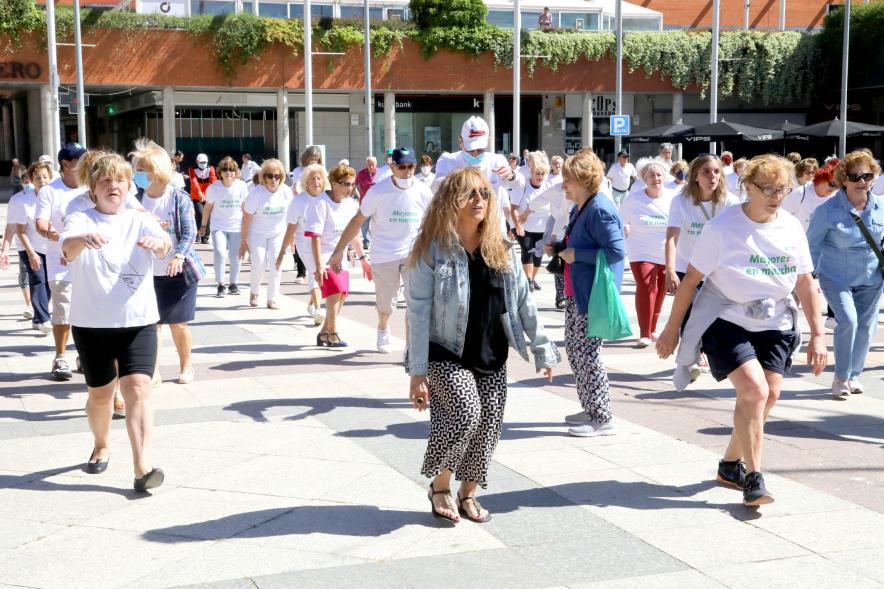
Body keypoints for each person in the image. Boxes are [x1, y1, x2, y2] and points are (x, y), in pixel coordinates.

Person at [656, 154, 827, 506]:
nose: (777, 195)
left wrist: (818, 334)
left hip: (776, 321)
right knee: (754, 390)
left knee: (768, 396)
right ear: (747, 187)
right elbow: (690, 282)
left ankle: (730, 464)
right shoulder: (722, 228)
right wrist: (672, 329)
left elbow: (806, 282)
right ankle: (755, 477)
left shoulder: (791, 227)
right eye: (767, 188)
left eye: (783, 188)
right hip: (727, 318)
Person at [406, 167, 558, 524]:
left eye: (484, 194)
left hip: (491, 353)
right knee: (465, 412)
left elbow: (524, 301)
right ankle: (440, 487)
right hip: (445, 351)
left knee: (488, 425)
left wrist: (541, 348)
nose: (479, 201)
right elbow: (417, 311)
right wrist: (417, 372)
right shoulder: (433, 249)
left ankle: (468, 492)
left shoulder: (501, 247)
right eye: (469, 194)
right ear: (450, 201)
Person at [60, 151, 172, 492]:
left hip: (137, 321)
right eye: (106, 181)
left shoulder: (140, 218)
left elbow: (165, 243)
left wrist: (159, 244)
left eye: (120, 180)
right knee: (101, 394)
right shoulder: (80, 216)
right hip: (92, 323)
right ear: (93, 189)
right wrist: (82, 240)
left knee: (138, 389)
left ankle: (142, 467)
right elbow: (67, 248)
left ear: (128, 186)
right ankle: (102, 443)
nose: (114, 186)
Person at [545, 149, 624, 437]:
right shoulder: (583, 206)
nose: (563, 184)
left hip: (593, 294)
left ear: (583, 180)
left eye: (568, 179)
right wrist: (560, 248)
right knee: (576, 352)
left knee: (588, 354)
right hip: (579, 291)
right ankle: (591, 407)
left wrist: (576, 253)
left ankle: (603, 417)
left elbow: (616, 252)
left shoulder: (599, 209)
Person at [328, 147, 432, 353]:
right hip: (385, 254)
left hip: (413, 253)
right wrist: (339, 249)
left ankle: (411, 347)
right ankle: (383, 327)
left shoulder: (423, 190)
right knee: (386, 304)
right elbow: (357, 220)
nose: (407, 171)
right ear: (392, 167)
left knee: (414, 303)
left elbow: (433, 221)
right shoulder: (378, 191)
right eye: (402, 167)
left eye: (411, 166)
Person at [806, 151, 884, 398]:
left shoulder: (882, 206)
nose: (862, 181)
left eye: (868, 176)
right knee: (849, 321)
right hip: (836, 276)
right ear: (844, 179)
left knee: (866, 327)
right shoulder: (827, 211)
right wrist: (807, 278)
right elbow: (812, 246)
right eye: (856, 176)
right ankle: (840, 377)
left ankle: (854, 375)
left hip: (872, 277)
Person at [132, 139, 206, 386]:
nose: (138, 174)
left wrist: (178, 255)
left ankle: (186, 366)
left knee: (178, 323)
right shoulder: (135, 199)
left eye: (143, 169)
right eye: (137, 169)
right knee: (152, 323)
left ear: (158, 171)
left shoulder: (178, 198)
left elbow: (189, 232)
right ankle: (153, 371)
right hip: (147, 271)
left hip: (179, 269)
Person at [665, 155, 739, 378]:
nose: (712, 176)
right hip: (687, 268)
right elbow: (671, 237)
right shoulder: (681, 201)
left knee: (712, 316)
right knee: (690, 312)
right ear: (695, 176)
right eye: (706, 171)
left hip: (718, 270)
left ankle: (698, 353)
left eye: (716, 171)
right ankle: (693, 357)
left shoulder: (731, 202)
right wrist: (669, 269)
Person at [35, 142, 89, 381]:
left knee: (88, 311)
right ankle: (60, 357)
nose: (84, 162)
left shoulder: (90, 186)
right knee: (64, 309)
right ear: (66, 164)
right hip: (60, 261)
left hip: (88, 261)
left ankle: (85, 355)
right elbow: (41, 222)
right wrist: (50, 233)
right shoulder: (50, 191)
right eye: (79, 159)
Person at [305, 164, 366, 347]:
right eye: (346, 184)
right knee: (335, 291)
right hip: (322, 254)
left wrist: (361, 256)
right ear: (333, 183)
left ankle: (324, 332)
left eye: (352, 184)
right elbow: (314, 237)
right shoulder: (320, 203)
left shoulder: (350, 203)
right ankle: (332, 333)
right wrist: (319, 265)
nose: (350, 188)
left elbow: (353, 232)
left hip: (340, 254)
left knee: (342, 295)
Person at [432, 116, 522, 234]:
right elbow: (435, 188)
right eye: (471, 149)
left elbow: (520, 184)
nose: (475, 153)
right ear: (460, 142)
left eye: (480, 150)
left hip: (491, 231)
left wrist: (512, 175)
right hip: (459, 231)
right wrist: (460, 179)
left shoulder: (497, 160)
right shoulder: (448, 160)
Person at [620, 161, 676, 347]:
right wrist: (624, 233)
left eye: (659, 175)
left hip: (665, 252)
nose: (656, 178)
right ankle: (644, 332)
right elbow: (620, 222)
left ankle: (652, 329)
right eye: (651, 175)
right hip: (640, 250)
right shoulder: (633, 199)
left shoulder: (672, 197)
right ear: (644, 179)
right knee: (646, 285)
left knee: (660, 289)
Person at [277, 163, 328, 325]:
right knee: (315, 272)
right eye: (312, 179)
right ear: (306, 182)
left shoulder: (328, 198)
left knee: (322, 275)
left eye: (319, 178)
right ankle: (319, 309)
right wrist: (283, 251)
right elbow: (291, 227)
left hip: (324, 244)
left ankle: (313, 302)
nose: (316, 182)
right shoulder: (298, 201)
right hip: (304, 244)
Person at [240, 159, 294, 309]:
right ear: (263, 177)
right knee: (259, 264)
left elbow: (292, 217)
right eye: (269, 176)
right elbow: (246, 218)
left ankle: (272, 298)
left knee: (277, 264)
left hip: (278, 233)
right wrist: (243, 241)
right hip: (257, 234)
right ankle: (254, 291)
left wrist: (292, 238)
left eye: (277, 176)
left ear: (282, 177)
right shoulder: (255, 194)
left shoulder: (286, 192)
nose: (273, 180)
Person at [9, 163, 52, 334]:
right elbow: (20, 231)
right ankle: (44, 319)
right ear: (32, 181)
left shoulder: (55, 197)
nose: (42, 181)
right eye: (38, 178)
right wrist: (31, 253)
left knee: (49, 283)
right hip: (29, 246)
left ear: (50, 178)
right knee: (38, 279)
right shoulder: (23, 201)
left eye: (45, 177)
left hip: (51, 248)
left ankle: (36, 316)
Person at [200, 156, 248, 297]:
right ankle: (220, 284)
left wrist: (247, 229)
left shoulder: (241, 186)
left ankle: (233, 284)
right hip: (218, 226)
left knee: (235, 256)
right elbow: (207, 208)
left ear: (236, 172)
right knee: (220, 253)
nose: (229, 172)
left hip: (236, 226)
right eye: (226, 170)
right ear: (220, 172)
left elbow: (246, 209)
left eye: (232, 170)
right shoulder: (214, 188)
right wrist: (203, 226)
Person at [511, 151, 552, 291]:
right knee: (527, 249)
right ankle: (527, 280)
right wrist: (517, 226)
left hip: (542, 227)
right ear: (531, 173)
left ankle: (533, 279)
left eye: (542, 174)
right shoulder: (522, 186)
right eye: (537, 174)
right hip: (523, 225)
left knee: (538, 253)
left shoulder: (547, 186)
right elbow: (514, 208)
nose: (540, 177)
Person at [781, 162, 839, 232]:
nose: (835, 188)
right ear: (822, 178)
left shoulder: (835, 196)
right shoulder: (800, 193)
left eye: (838, 186)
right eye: (832, 184)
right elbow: (780, 217)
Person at [188, 153, 216, 244]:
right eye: (201, 162)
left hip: (208, 196)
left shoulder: (210, 169)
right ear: (197, 161)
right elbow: (193, 181)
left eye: (204, 162)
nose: (203, 163)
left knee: (207, 214)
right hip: (196, 196)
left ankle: (205, 237)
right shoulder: (192, 169)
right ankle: (198, 234)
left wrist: (211, 193)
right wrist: (200, 193)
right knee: (199, 213)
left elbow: (213, 180)